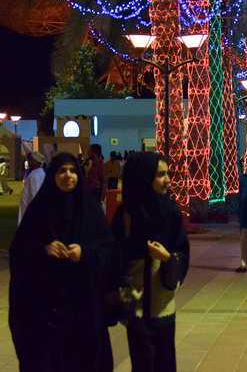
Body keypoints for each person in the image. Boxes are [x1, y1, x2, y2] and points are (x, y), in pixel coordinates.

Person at [9, 152, 114, 371]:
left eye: (73, 171)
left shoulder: (91, 211)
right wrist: (44, 250)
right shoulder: (39, 212)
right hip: (46, 314)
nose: (68, 175)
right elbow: (19, 254)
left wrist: (85, 253)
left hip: (84, 312)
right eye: (62, 171)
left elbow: (109, 253)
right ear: (53, 176)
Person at [113, 152, 190, 372]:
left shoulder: (170, 211)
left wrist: (167, 257)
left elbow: (182, 251)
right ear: (144, 177)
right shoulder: (126, 215)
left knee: (165, 361)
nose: (168, 180)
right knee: (143, 363)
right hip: (135, 306)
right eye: (160, 175)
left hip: (163, 304)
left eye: (168, 174)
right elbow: (113, 259)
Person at [18, 150, 46, 225]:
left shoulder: (35, 175)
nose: (29, 162)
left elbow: (35, 194)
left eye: (31, 160)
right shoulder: (38, 172)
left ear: (36, 161)